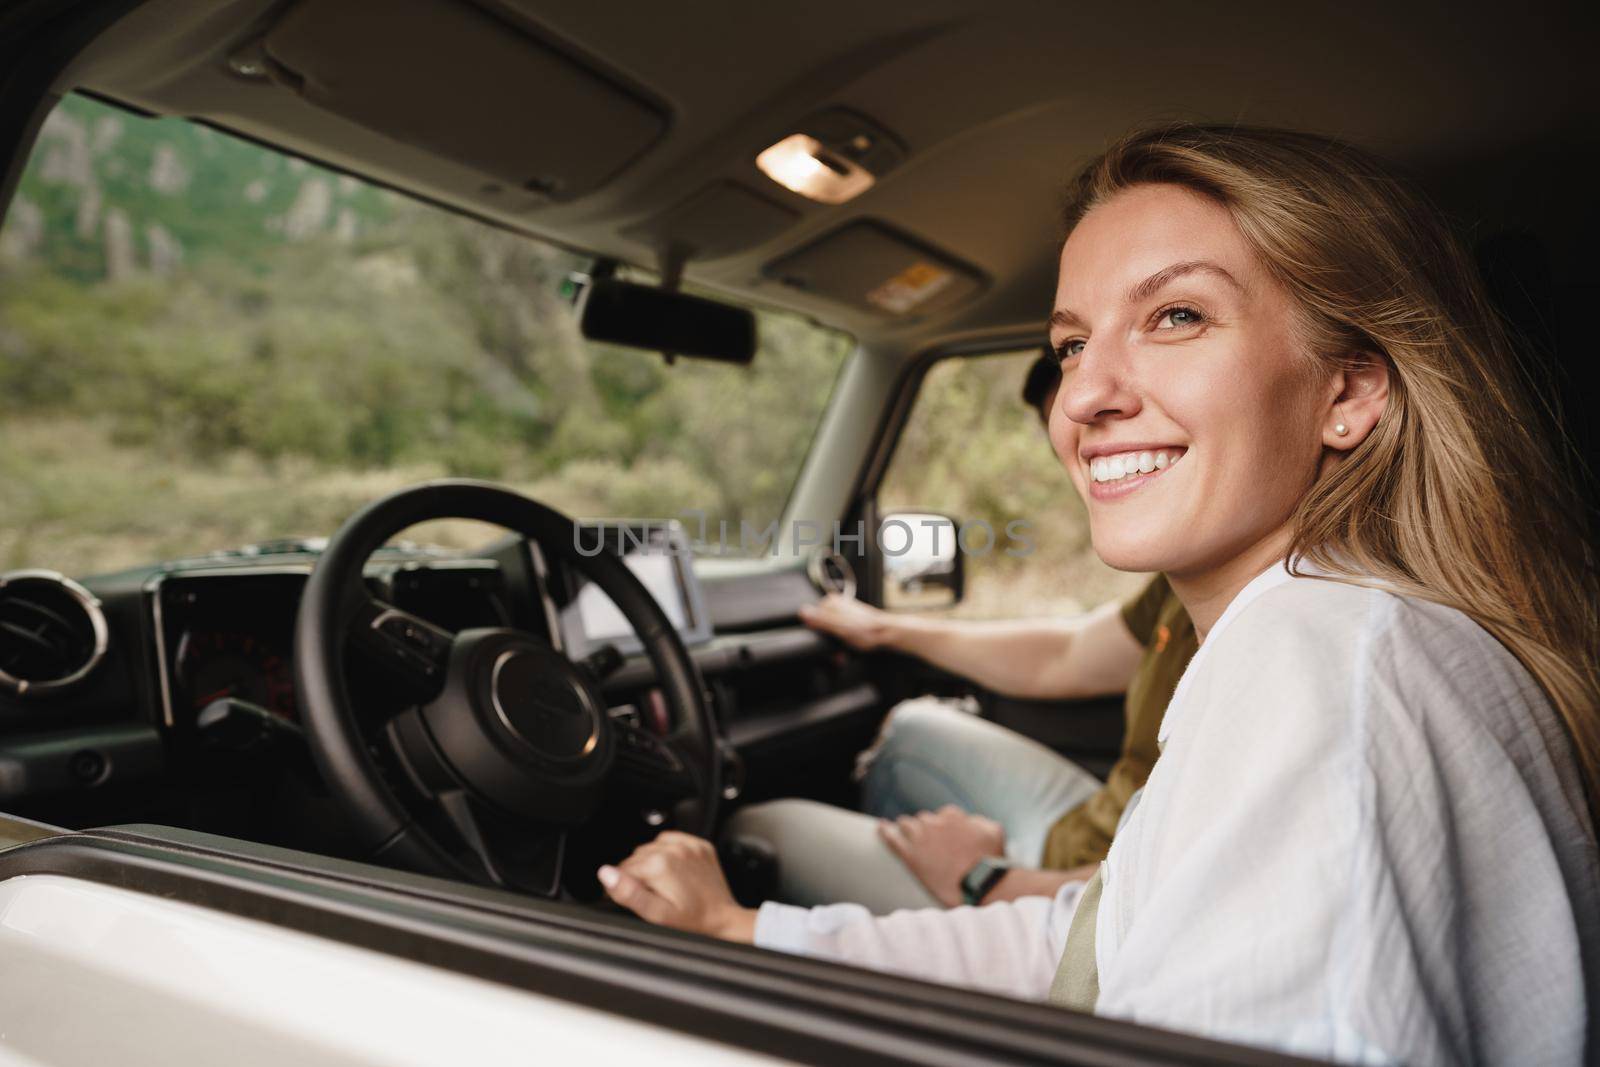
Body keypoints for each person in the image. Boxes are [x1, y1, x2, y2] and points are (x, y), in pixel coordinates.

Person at [597, 124, 1600, 1065]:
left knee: (769, 820)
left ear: (1348, 392)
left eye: (1175, 316)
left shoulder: (1318, 664)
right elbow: (1088, 937)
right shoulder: (1348, 628)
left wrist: (964, 875)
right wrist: (747, 929)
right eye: (1074, 342)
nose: (1082, 395)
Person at [724, 351, 1198, 914]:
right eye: (1073, 438)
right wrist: (890, 630)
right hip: (1099, 823)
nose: (1088, 434)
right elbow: (1067, 655)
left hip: (1082, 899)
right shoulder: (1182, 583)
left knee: (756, 829)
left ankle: (936, 943)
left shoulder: (1275, 648)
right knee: (910, 727)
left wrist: (979, 877)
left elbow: (1147, 902)